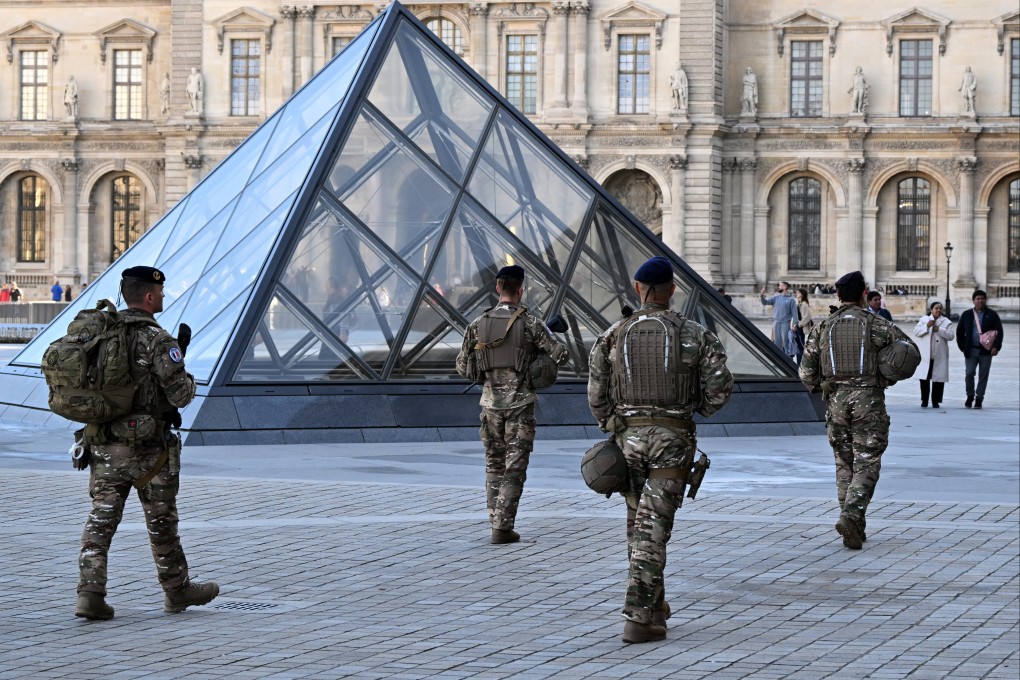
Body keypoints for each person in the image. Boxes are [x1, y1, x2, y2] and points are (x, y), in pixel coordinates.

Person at [588, 256, 733, 643]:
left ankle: (655, 606)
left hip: (628, 443)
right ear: (671, 290)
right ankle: (637, 617)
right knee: (653, 528)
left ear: (638, 289)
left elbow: (596, 397)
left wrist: (616, 427)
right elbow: (719, 391)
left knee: (640, 526)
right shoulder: (695, 334)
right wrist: (692, 409)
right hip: (673, 442)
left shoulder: (612, 335)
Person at [75, 266, 218, 620]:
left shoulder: (102, 333)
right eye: (162, 292)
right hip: (149, 450)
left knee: (100, 521)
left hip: (105, 443)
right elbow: (180, 394)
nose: (164, 297)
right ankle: (176, 590)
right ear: (150, 296)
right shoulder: (159, 339)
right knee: (161, 521)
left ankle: (90, 594)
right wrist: (188, 377)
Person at [800, 271, 915, 550]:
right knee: (867, 461)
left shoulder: (823, 327)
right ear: (864, 293)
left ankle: (853, 523)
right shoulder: (877, 324)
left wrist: (825, 388)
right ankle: (851, 516)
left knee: (844, 463)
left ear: (838, 295)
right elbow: (909, 352)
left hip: (836, 402)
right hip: (868, 401)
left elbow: (805, 372)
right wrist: (885, 375)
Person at [455, 265, 567, 545]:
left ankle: (496, 519)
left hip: (489, 406)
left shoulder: (477, 324)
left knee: (494, 465)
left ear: (497, 288)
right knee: (514, 467)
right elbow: (561, 355)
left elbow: (461, 366)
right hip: (519, 405)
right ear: (520, 290)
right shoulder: (530, 323)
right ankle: (503, 527)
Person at [955, 290, 1004, 409]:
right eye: (978, 298)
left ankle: (979, 398)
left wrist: (996, 347)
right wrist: (963, 347)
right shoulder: (966, 314)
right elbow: (959, 332)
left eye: (982, 298)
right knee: (969, 373)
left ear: (985, 300)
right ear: (973, 301)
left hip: (986, 351)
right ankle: (970, 395)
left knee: (983, 375)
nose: (980, 301)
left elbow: (999, 331)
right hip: (971, 350)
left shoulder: (992, 314)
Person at [913, 302, 954, 408]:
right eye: (936, 308)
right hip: (926, 356)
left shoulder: (946, 322)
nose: (938, 310)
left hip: (939, 356)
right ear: (931, 310)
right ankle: (924, 400)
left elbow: (951, 336)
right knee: (924, 379)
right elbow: (916, 332)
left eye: (940, 309)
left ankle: (936, 401)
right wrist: (927, 326)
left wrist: (940, 330)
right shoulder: (924, 320)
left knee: (938, 380)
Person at [760, 281, 798, 357]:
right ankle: (778, 360)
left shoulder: (791, 300)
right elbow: (765, 302)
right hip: (776, 323)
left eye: (780, 286)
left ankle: (788, 359)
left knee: (786, 342)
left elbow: (795, 313)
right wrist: (762, 295)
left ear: (785, 287)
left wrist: (795, 324)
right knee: (776, 343)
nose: (778, 287)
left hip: (785, 323)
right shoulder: (776, 297)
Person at [792, 288, 813, 364]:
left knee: (800, 347)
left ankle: (800, 364)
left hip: (801, 329)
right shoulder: (800, 304)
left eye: (798, 292)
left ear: (802, 294)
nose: (796, 293)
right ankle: (799, 363)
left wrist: (798, 325)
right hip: (798, 328)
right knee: (798, 346)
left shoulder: (804, 304)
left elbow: (807, 317)